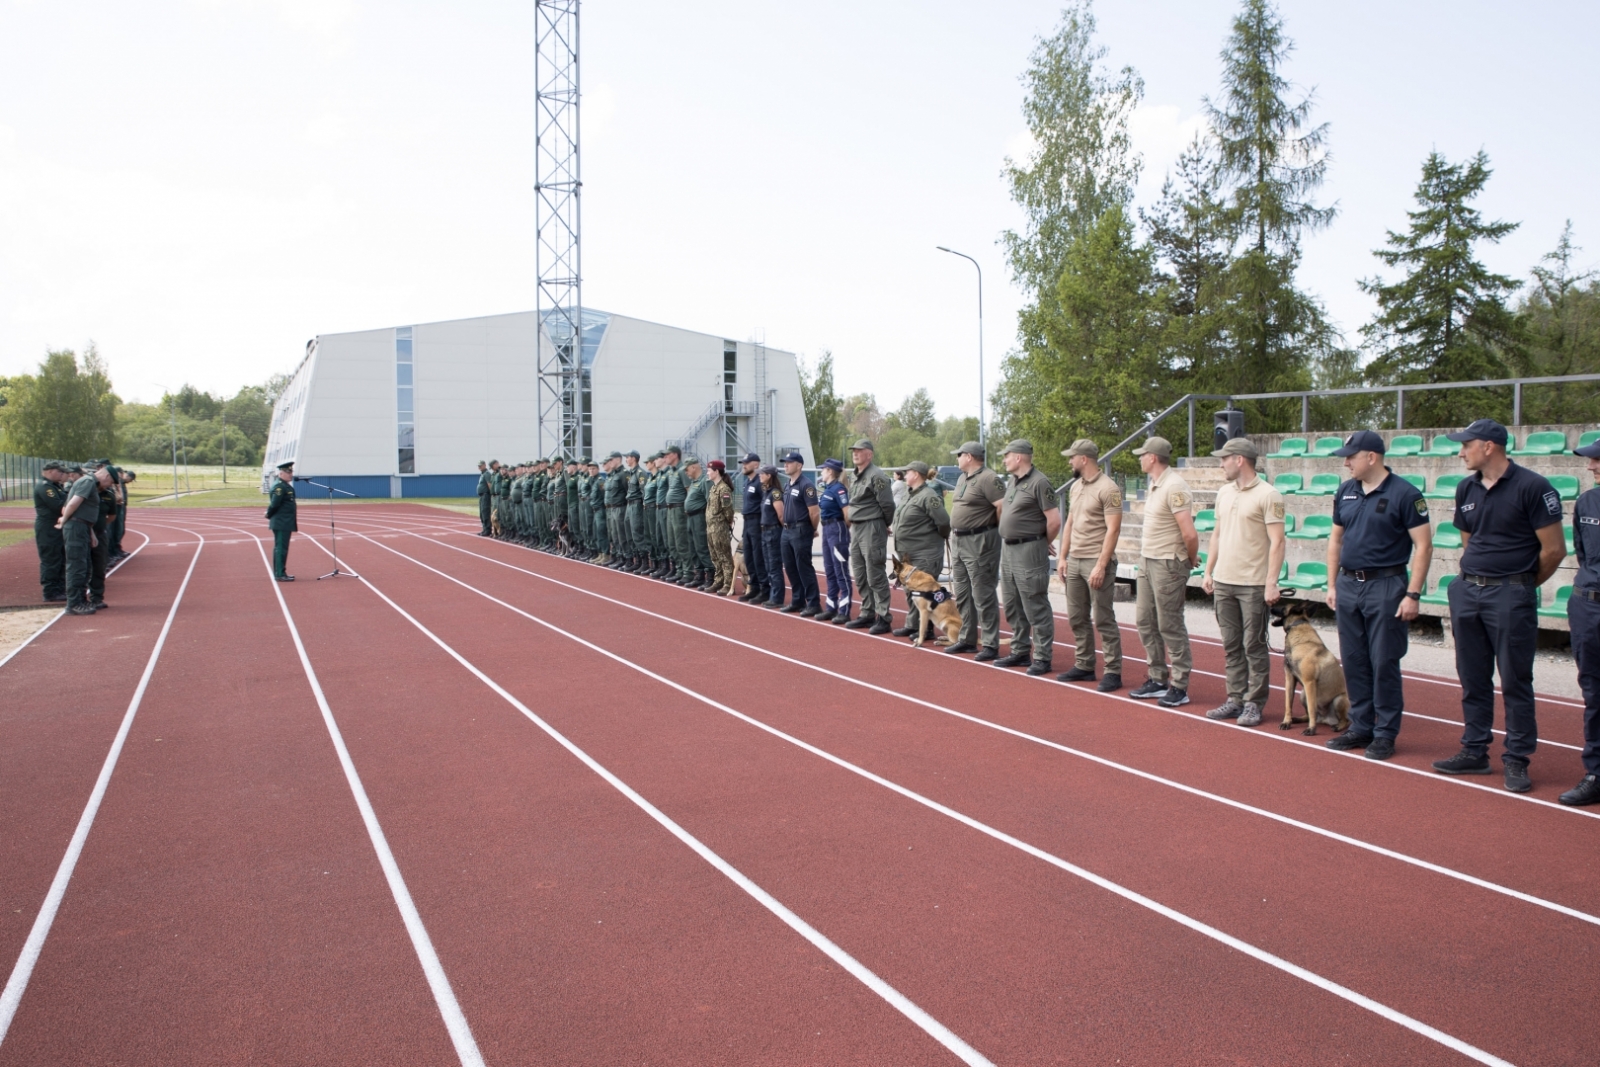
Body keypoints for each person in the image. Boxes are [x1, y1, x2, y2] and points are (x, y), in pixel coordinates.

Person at [1433, 418, 1566, 793]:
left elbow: (1554, 550)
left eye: (1466, 445)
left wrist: (1519, 584)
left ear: (1488, 446)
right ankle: (1474, 751)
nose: (1460, 452)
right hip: (1468, 591)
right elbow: (1469, 541)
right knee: (1472, 678)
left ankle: (1517, 759)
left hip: (1510, 595)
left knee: (1515, 681)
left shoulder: (1533, 487)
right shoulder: (1466, 488)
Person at [1323, 430, 1434, 760]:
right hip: (1348, 585)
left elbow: (1424, 546)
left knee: (1384, 661)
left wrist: (1412, 593)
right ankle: (1361, 726)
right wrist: (1331, 585)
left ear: (1371, 457)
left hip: (1386, 585)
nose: (1346, 463)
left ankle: (1385, 733)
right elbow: (1335, 541)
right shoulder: (1346, 491)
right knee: (1355, 660)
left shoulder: (1405, 494)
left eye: (1351, 457)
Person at [1201, 437, 1286, 727]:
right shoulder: (1224, 492)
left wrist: (1271, 583)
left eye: (1224, 458)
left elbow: (1278, 542)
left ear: (1240, 460)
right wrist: (1208, 571)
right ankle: (1235, 698)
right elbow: (1217, 534)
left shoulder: (1269, 494)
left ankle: (1254, 702)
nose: (1221, 463)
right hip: (1223, 582)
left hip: (1252, 584)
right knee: (1231, 645)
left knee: (1254, 646)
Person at [1129, 437, 1199, 707]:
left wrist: (1189, 559)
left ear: (1153, 457)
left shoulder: (1175, 486)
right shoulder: (1155, 484)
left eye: (1142, 454)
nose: (1139, 458)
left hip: (1168, 562)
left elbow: (1189, 533)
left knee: (1170, 624)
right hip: (1148, 560)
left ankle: (1180, 685)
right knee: (1145, 620)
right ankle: (1157, 679)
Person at [1055, 438, 1124, 691]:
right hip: (1075, 560)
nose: (1069, 461)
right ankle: (1084, 665)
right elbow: (1070, 523)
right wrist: (1063, 557)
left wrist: (1101, 565)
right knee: (1076, 617)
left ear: (1084, 459)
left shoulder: (1109, 488)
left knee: (1103, 618)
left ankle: (1113, 671)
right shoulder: (1076, 486)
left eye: (1072, 457)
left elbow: (1113, 530)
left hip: (1096, 561)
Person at [995, 440, 1060, 675]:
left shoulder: (1040, 482)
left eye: (1007, 455)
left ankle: (1042, 657)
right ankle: (1020, 650)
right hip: (1009, 550)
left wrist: (1042, 542)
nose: (1004, 459)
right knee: (1012, 603)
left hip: (1029, 550)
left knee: (1035, 603)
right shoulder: (1013, 481)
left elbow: (1054, 521)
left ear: (1019, 457)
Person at [1562, 437, 1600, 806]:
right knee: (1594, 693)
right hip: (1588, 607)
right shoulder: (1587, 501)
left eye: (1597, 460)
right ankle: (1596, 773)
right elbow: (1585, 554)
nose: (1591, 467)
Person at [945, 441, 1003, 659]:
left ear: (969, 456)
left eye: (959, 455)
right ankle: (967, 639)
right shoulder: (962, 478)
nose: (956, 458)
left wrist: (991, 531)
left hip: (979, 542)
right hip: (959, 541)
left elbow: (1001, 506)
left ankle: (990, 644)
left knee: (983, 594)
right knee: (962, 593)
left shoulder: (989, 478)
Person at [891, 460, 951, 636]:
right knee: (911, 590)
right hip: (909, 553)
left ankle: (927, 629)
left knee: (923, 591)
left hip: (925, 552)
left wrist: (935, 540)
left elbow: (943, 522)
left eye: (907, 472)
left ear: (916, 474)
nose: (904, 475)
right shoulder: (910, 494)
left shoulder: (928, 496)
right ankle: (913, 624)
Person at [843, 438, 895, 634]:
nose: (855, 453)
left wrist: (883, 524)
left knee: (875, 572)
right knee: (860, 573)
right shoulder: (855, 475)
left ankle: (883, 616)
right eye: (853, 451)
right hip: (857, 527)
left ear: (869, 454)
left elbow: (888, 505)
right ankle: (867, 612)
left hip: (871, 526)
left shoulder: (877, 476)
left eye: (859, 450)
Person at [55, 463, 102, 614]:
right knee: (76, 566)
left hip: (82, 527)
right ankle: (73, 604)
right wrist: (63, 520)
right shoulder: (87, 482)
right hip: (76, 527)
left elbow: (83, 513)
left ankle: (81, 600)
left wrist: (91, 532)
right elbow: (71, 505)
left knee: (84, 566)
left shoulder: (86, 482)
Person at [778, 451, 822, 614]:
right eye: (785, 462)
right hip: (787, 530)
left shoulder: (806, 485)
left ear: (799, 465)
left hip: (801, 529)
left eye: (789, 462)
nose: (786, 465)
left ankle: (813, 603)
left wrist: (812, 529)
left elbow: (814, 512)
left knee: (803, 567)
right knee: (790, 566)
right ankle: (798, 600)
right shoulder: (788, 484)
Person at [817, 458, 853, 622]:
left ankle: (844, 611)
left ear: (830, 471)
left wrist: (843, 531)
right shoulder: (828, 488)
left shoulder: (838, 489)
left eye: (823, 469)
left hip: (836, 529)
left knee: (840, 571)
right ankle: (831, 607)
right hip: (826, 529)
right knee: (829, 570)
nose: (821, 472)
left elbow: (847, 514)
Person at [33, 461, 70, 603]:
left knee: (60, 558)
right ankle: (50, 591)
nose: (62, 474)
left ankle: (59, 588)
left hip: (56, 527)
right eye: (59, 472)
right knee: (51, 559)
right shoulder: (45, 487)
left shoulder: (55, 487)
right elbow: (58, 505)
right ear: (50, 471)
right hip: (48, 528)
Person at [737, 452, 768, 602]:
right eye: (743, 463)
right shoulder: (747, 482)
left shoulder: (759, 482)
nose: (744, 465)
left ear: (756, 464)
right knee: (748, 557)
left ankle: (764, 589)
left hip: (757, 522)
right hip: (747, 522)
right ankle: (753, 587)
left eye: (746, 463)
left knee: (758, 557)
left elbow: (765, 505)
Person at [705, 460, 738, 595]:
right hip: (711, 527)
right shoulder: (713, 487)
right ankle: (718, 580)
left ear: (716, 471)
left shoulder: (723, 489)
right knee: (715, 556)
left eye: (709, 470)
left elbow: (728, 510)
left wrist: (728, 523)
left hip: (720, 527)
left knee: (724, 556)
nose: (707, 472)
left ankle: (728, 583)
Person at [758, 465, 788, 608]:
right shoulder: (766, 492)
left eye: (762, 474)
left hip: (773, 532)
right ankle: (773, 595)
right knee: (768, 565)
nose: (759, 476)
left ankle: (777, 597)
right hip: (764, 532)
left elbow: (781, 515)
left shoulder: (775, 493)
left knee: (774, 565)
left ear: (769, 475)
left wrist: (784, 531)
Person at [266, 460, 298, 582]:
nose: (291, 474)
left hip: (285, 522)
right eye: (288, 472)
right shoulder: (279, 487)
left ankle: (281, 572)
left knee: (282, 548)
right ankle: (279, 573)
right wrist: (268, 514)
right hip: (281, 522)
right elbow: (274, 504)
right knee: (280, 549)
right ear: (281, 473)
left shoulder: (285, 486)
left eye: (291, 471)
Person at [683, 456, 712, 587]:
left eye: (687, 469)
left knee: (702, 547)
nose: (686, 472)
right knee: (693, 547)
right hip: (690, 518)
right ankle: (699, 574)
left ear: (694, 467)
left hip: (699, 517)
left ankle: (711, 576)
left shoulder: (705, 481)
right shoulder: (694, 482)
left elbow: (710, 502)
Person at [475, 460, 492, 535]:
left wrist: (491, 494)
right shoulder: (482, 474)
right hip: (482, 496)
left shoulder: (487, 474)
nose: (479, 467)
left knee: (485, 513)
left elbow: (489, 484)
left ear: (484, 465)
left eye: (480, 465)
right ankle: (484, 529)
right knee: (482, 513)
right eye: (478, 466)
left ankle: (487, 530)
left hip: (486, 495)